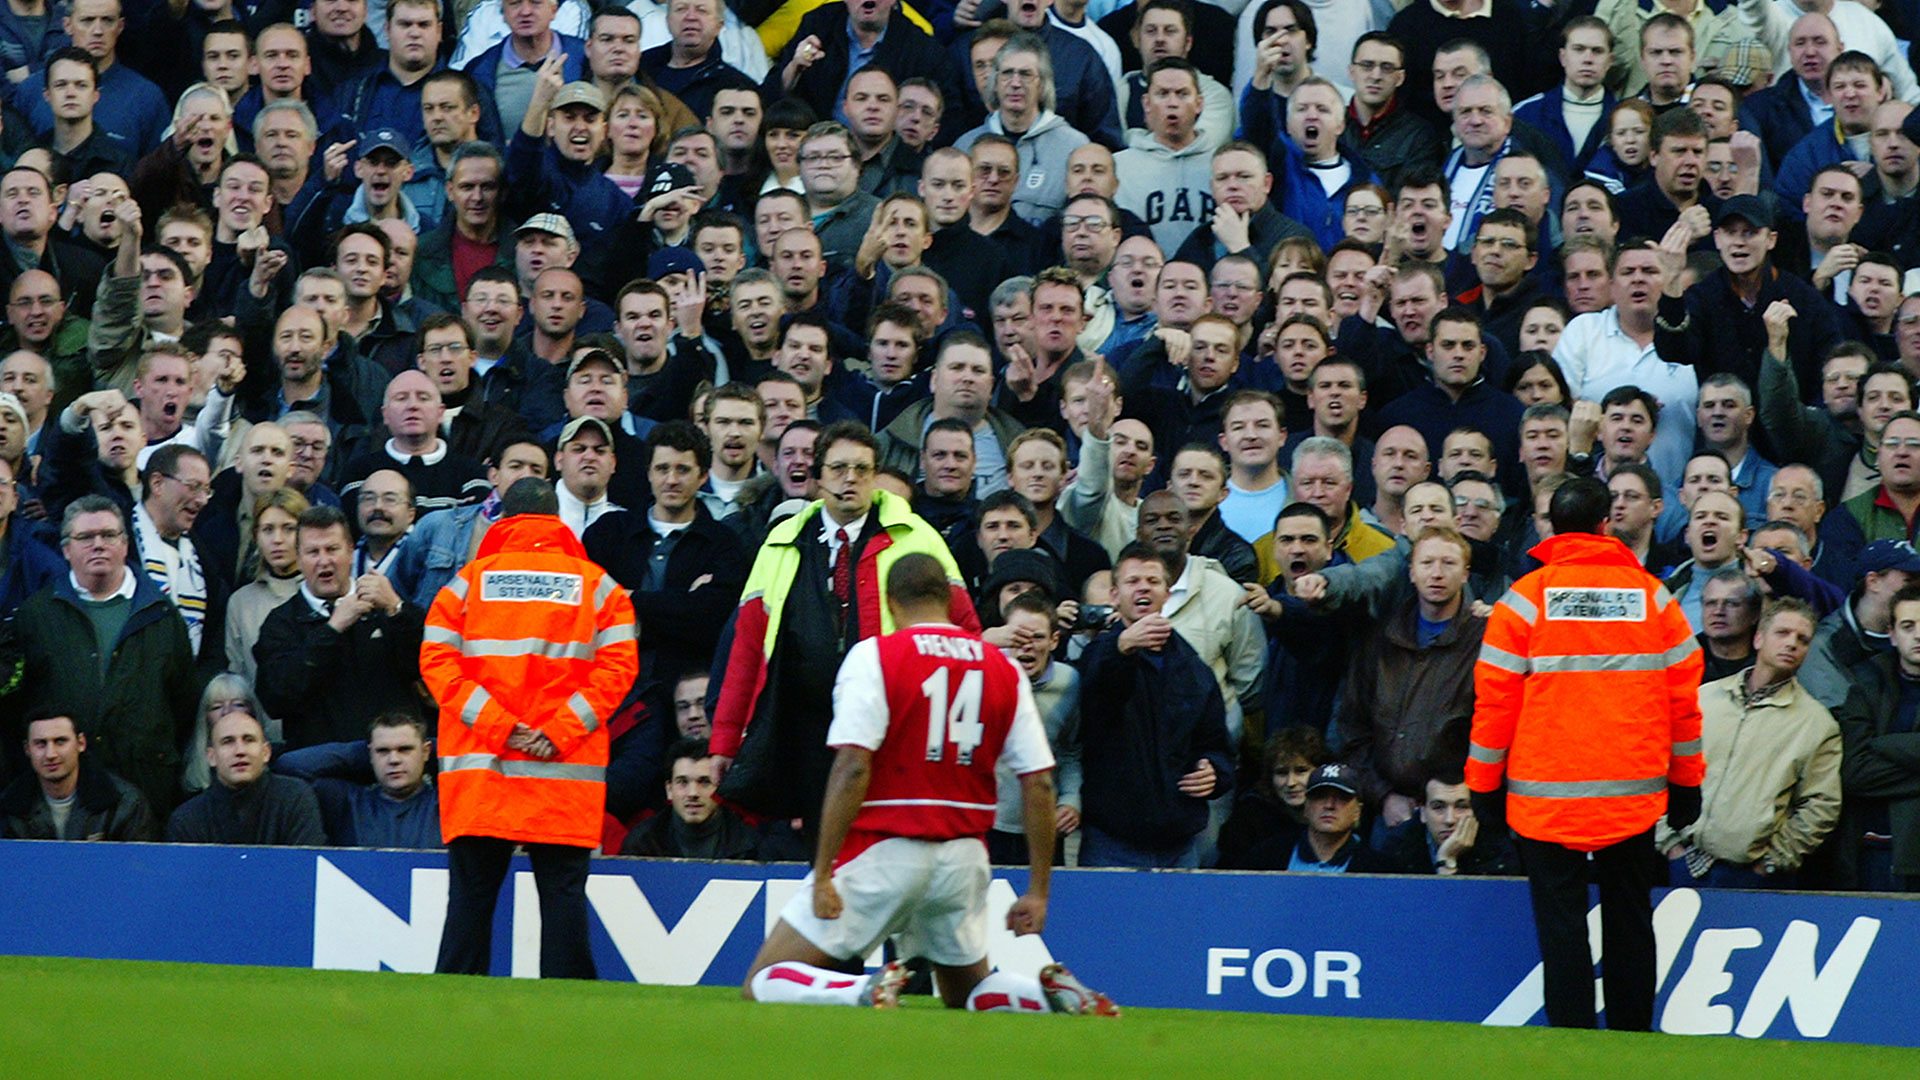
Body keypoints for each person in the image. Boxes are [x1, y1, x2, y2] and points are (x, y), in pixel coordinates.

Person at [742, 552, 1114, 1016]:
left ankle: (860, 991)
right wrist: (1038, 890)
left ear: (890, 601)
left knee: (762, 981)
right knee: (965, 992)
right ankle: (1044, 996)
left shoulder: (876, 656)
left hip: (885, 850)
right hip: (963, 858)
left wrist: (822, 872)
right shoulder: (1002, 669)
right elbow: (1038, 782)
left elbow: (854, 765)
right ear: (948, 599)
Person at [1469, 475, 1704, 1031]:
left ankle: (1570, 1045)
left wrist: (1482, 785)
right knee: (1630, 920)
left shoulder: (1522, 603)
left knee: (1561, 927)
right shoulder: (1653, 598)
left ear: (1551, 525)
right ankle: (1631, 1041)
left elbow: (1493, 705)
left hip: (1544, 799)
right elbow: (1683, 701)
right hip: (1633, 798)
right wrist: (1687, 781)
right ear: (1606, 524)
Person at [711, 421, 979, 834]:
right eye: (838, 468)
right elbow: (748, 648)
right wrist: (725, 742)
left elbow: (963, 639)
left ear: (876, 477)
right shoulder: (782, 539)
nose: (850, 478)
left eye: (862, 469)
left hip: (895, 731)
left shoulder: (918, 537)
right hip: (804, 733)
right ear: (817, 477)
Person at [424, 477, 638, 980]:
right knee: (563, 904)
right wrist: (557, 731)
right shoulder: (599, 587)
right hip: (563, 774)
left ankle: (447, 1022)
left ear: (501, 518)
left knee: (469, 908)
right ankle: (572, 1028)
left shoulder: (465, 586)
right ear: (557, 518)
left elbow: (438, 663)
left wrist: (502, 729)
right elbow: (619, 669)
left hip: (482, 773)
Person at [1, 495, 196, 816]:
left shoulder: (161, 613)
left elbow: (183, 700)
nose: (98, 545)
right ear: (66, 549)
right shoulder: (36, 616)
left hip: (145, 786)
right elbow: (20, 706)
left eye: (108, 535)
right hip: (61, 792)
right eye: (85, 537)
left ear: (124, 544)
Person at [1659, 597, 1840, 888]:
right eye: (1782, 633)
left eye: (1803, 639)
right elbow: (1661, 765)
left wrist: (1772, 863)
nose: (1792, 643)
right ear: (1758, 638)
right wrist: (1668, 843)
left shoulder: (1817, 724)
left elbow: (1821, 805)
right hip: (1683, 861)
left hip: (1754, 875)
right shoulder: (1705, 697)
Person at [1075, 542, 1233, 868]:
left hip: (1180, 843)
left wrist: (1214, 771)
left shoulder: (1193, 668)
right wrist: (1122, 647)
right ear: (1115, 596)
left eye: (1153, 581)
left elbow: (1217, 744)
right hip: (1111, 840)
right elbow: (1094, 696)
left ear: (1167, 593)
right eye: (1133, 581)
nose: (1143, 587)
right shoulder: (1098, 653)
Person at [253, 504, 426, 748]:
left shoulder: (387, 606)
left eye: (332, 549)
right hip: (320, 767)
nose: (324, 561)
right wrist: (333, 628)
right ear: (299, 558)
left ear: (351, 551)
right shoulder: (281, 622)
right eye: (313, 552)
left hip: (388, 763)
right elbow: (276, 698)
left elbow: (424, 671)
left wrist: (397, 609)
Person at [272, 711, 442, 849]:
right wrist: (361, 753)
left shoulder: (446, 803)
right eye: (383, 751)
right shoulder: (348, 802)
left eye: (405, 749)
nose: (394, 760)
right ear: (369, 753)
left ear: (426, 751)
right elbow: (290, 766)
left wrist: (443, 750)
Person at [165, 709, 327, 846]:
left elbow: (307, 872)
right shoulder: (187, 820)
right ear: (211, 757)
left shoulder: (295, 798)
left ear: (266, 752)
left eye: (249, 740)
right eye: (228, 742)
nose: (239, 750)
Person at [1, 709, 157, 840]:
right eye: (40, 744)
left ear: (81, 743)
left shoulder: (124, 804)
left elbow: (139, 869)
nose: (50, 754)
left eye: (60, 741)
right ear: (27, 749)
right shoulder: (9, 808)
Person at [1236, 762, 1395, 873]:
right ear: (1306, 807)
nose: (1330, 805)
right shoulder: (1265, 857)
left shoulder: (1380, 869)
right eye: (1320, 797)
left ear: (1357, 811)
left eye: (1342, 798)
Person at [618, 737, 760, 859]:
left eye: (704, 782)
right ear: (669, 790)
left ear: (721, 787)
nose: (693, 793)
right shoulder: (642, 843)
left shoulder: (751, 843)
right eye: (683, 782)